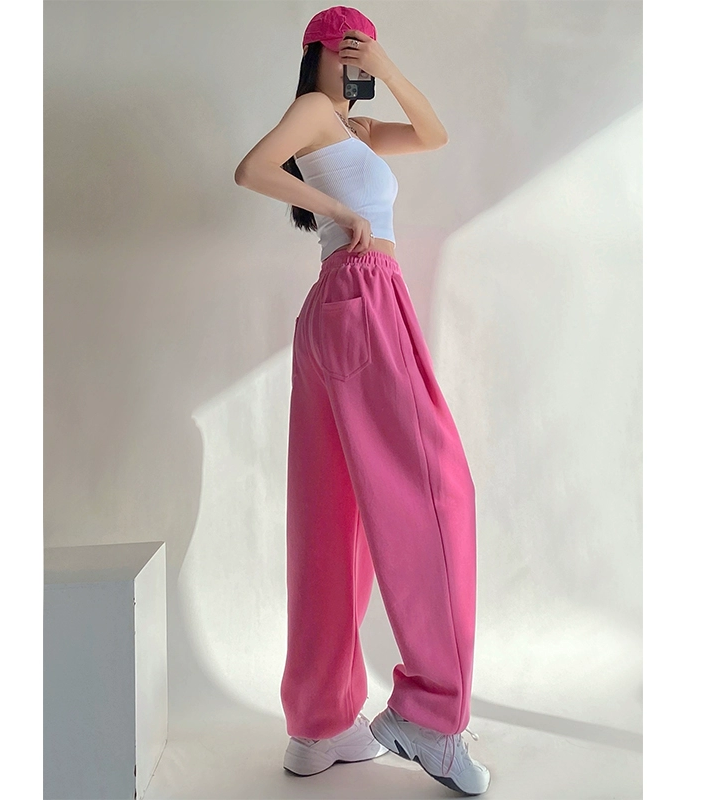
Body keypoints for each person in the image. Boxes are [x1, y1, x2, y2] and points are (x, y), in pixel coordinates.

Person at [234, 6, 490, 796]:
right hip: (364, 293)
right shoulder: (315, 110)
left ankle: (319, 724)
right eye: (350, 50)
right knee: (436, 490)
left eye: (364, 53)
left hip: (337, 309)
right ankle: (431, 716)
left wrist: (388, 69)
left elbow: (434, 133)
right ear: (321, 52)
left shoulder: (357, 128)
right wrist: (344, 214)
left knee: (331, 515)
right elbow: (251, 169)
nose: (357, 65)